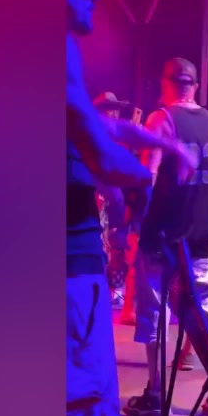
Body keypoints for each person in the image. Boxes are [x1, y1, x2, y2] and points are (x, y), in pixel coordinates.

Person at [65, 0, 196, 416]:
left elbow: (99, 126)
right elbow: (99, 152)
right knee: (73, 405)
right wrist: (148, 183)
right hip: (65, 267)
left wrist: (160, 143)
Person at [123, 58, 208, 416]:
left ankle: (155, 393)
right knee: (205, 314)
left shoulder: (161, 119)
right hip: (199, 233)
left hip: (162, 235)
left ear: (166, 84)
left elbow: (147, 176)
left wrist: (133, 221)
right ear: (194, 86)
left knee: (155, 313)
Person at [94, 92, 134, 309]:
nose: (113, 113)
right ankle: (102, 289)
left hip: (117, 200)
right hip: (98, 198)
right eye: (109, 109)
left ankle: (116, 289)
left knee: (118, 247)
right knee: (101, 245)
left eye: (115, 109)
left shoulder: (119, 136)